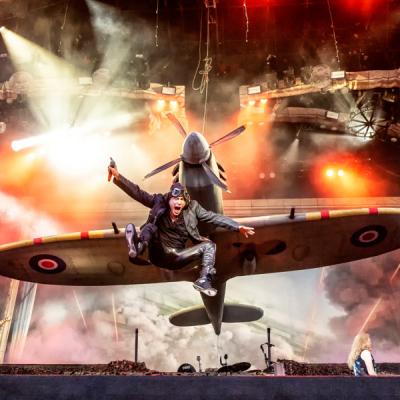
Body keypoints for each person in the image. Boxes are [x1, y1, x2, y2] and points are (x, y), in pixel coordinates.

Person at [108, 160, 255, 297]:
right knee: (150, 227)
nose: (178, 202)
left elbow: (214, 217)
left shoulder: (193, 208)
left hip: (177, 256)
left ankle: (204, 279)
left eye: (181, 200)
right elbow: (138, 193)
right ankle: (138, 247)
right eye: (175, 199)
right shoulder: (159, 201)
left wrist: (237, 226)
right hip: (157, 252)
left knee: (209, 246)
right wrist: (118, 177)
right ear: (169, 199)